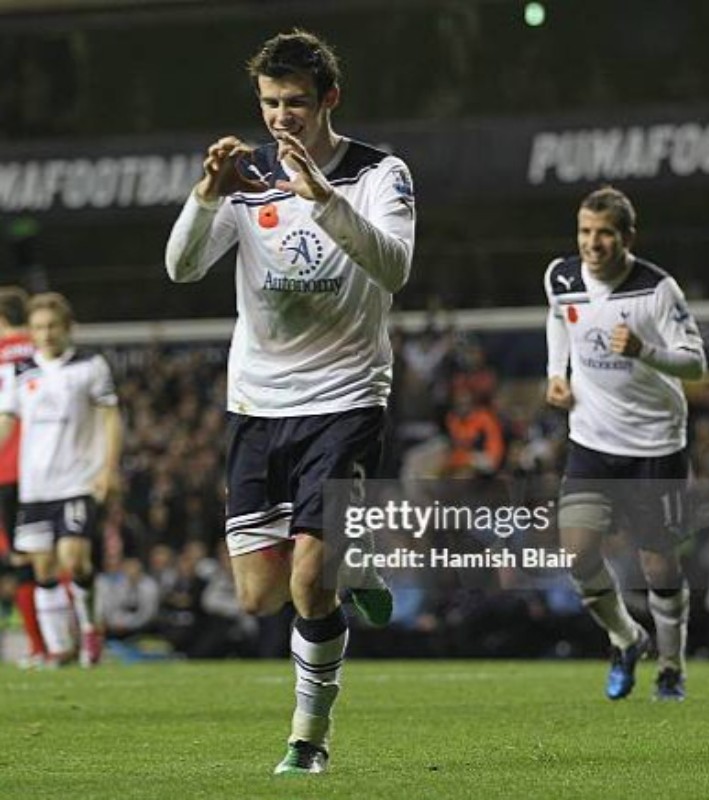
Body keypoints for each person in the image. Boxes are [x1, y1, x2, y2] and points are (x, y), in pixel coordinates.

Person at [165, 29, 415, 774]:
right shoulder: (245, 183)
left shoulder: (379, 173)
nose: (282, 118)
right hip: (258, 404)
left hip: (344, 398)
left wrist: (323, 199)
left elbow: (394, 268)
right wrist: (206, 194)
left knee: (308, 582)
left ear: (328, 99)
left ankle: (308, 738)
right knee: (257, 599)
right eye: (271, 103)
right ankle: (356, 556)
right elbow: (181, 269)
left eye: (297, 103)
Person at [544, 186, 706, 701]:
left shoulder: (657, 290)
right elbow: (558, 319)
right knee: (576, 552)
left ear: (627, 237)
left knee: (658, 562)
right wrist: (556, 373)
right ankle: (625, 636)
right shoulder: (561, 276)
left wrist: (645, 351)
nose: (593, 243)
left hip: (655, 443)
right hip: (591, 439)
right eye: (586, 232)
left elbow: (697, 362)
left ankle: (672, 666)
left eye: (605, 233)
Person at [0, 292, 123, 667]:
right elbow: (6, 420)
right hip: (35, 484)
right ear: (31, 332)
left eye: (52, 326)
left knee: (74, 557)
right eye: (38, 327)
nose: (46, 333)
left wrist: (108, 468)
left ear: (67, 328)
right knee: (42, 567)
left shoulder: (90, 366)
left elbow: (109, 419)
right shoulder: (19, 373)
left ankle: (89, 629)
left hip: (77, 480)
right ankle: (59, 650)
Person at [0, 286, 47, 667]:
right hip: (51, 467)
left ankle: (38, 646)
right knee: (57, 556)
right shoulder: (44, 349)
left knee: (20, 562)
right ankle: (73, 641)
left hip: (6, 469)